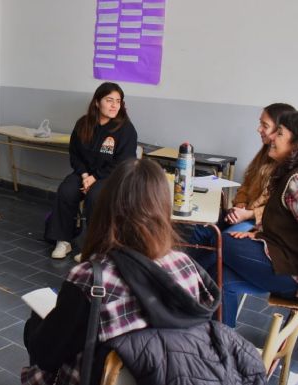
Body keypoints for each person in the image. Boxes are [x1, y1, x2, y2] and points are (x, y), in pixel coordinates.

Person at [22, 159, 266, 385]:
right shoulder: (186, 265)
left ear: (107, 207)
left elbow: (47, 353)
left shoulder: (91, 278)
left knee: (35, 327)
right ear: (163, 209)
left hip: (103, 376)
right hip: (170, 375)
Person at [195, 111, 298, 327]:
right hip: (278, 259)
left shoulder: (295, 180)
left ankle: (181, 288)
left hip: (290, 275)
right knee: (219, 278)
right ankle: (224, 343)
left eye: (279, 133)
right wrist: (255, 235)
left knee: (220, 239)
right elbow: (281, 224)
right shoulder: (285, 174)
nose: (271, 137)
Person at [45, 82, 137, 259]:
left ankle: (95, 247)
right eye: (109, 100)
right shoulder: (83, 124)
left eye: (118, 101)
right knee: (66, 190)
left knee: (96, 196)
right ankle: (63, 241)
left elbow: (124, 162)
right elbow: (75, 155)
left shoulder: (125, 129)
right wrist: (85, 175)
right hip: (84, 174)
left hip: (112, 177)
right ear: (97, 102)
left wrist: (95, 177)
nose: (114, 105)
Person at [224, 103, 295, 231]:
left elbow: (277, 210)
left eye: (265, 125)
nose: (259, 129)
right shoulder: (264, 153)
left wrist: (249, 214)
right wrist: (241, 205)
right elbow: (247, 183)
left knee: (226, 239)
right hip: (245, 214)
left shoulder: (288, 169)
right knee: (204, 230)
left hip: (259, 222)